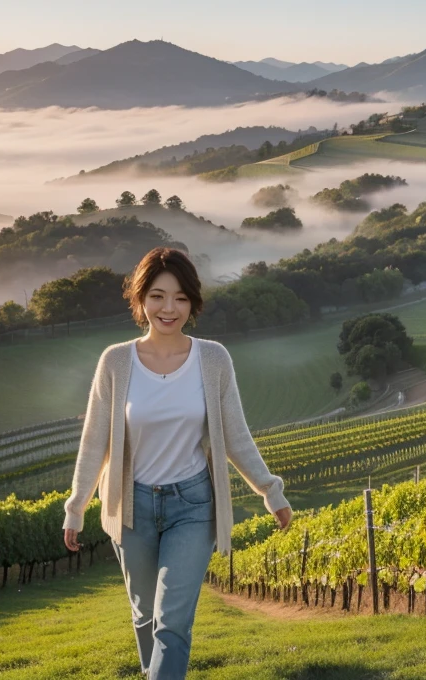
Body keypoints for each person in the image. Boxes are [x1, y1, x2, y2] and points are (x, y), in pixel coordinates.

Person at [62, 246, 292, 680]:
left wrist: (269, 490)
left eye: (181, 298)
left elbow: (236, 435)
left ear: (194, 303)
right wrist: (76, 507)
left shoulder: (213, 359)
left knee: (173, 623)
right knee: (145, 615)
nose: (169, 308)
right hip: (132, 510)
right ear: (140, 298)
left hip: (192, 505)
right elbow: (94, 441)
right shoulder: (115, 361)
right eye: (158, 296)